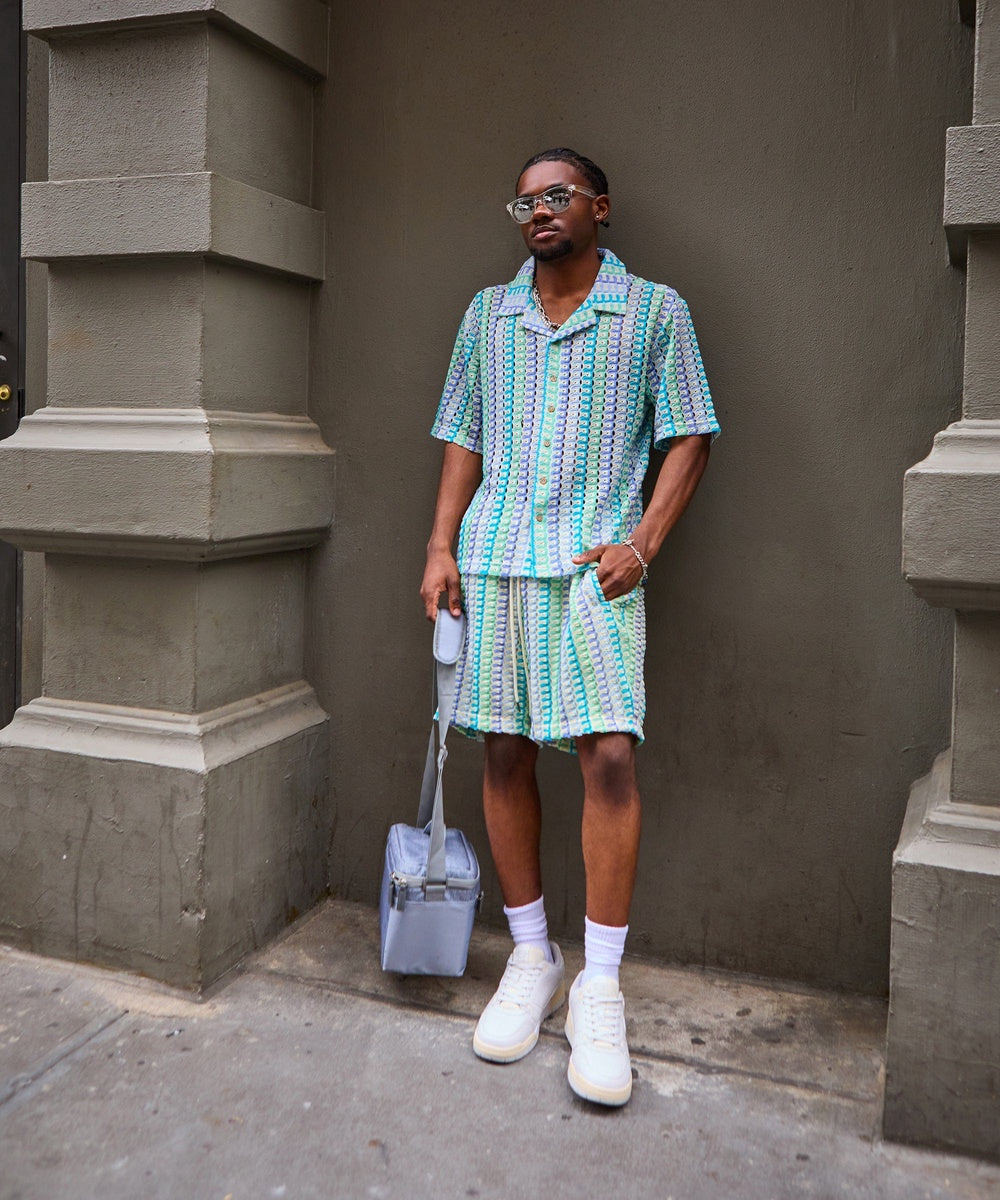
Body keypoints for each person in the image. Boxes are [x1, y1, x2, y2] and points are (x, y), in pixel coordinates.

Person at [420, 148, 719, 1107]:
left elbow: (691, 432)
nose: (540, 212)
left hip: (595, 568)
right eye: (525, 202)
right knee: (504, 750)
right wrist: (440, 547)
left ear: (601, 207)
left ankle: (600, 984)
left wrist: (643, 544)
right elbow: (463, 436)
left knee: (610, 758)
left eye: (558, 195)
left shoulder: (655, 312)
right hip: (497, 560)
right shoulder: (488, 315)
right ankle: (532, 957)